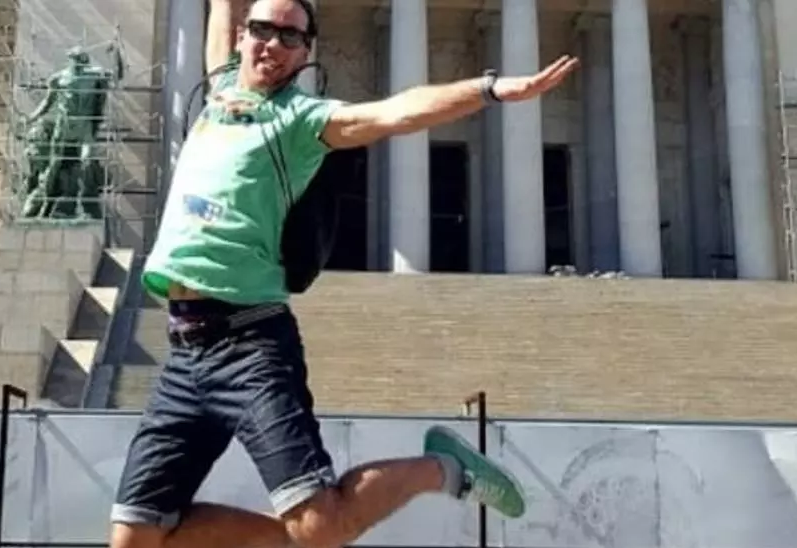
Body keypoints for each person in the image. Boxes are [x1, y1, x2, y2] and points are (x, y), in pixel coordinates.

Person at [109, 1, 580, 547]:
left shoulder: (303, 120)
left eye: (290, 37)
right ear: (242, 36)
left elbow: (397, 112)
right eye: (262, 30)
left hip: (249, 345)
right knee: (135, 538)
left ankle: (442, 469)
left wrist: (490, 89)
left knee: (320, 529)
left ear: (305, 52)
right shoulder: (220, 93)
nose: (273, 44)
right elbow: (221, 10)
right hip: (184, 352)